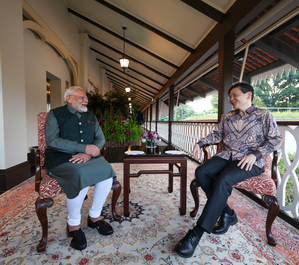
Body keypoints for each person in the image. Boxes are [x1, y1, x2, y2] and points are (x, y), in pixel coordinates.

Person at [175, 82, 282, 258]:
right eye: (230, 96)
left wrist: (255, 155)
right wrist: (199, 143)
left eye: (235, 95)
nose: (231, 99)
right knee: (202, 172)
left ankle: (197, 233)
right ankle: (228, 213)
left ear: (248, 95)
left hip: (249, 161)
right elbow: (216, 135)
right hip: (226, 156)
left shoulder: (264, 115)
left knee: (223, 179)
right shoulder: (227, 117)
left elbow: (275, 140)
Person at [45, 86, 116, 251]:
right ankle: (73, 225)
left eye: (86, 98)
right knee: (80, 172)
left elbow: (100, 138)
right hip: (61, 158)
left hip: (89, 158)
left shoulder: (91, 116)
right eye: (82, 97)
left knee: (106, 170)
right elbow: (52, 141)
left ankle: (94, 216)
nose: (86, 100)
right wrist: (83, 148)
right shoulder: (55, 114)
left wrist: (89, 154)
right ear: (69, 98)